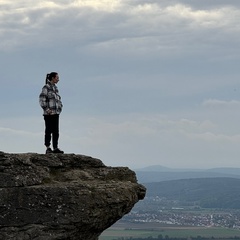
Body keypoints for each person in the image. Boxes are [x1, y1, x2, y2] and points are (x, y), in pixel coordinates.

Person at [39, 72, 64, 154]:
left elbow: (58, 100)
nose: (58, 79)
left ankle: (55, 147)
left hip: (56, 113)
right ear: (53, 78)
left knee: (56, 131)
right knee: (48, 131)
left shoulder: (56, 88)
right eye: (57, 77)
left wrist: (60, 108)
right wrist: (46, 109)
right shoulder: (46, 87)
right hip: (49, 114)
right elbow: (42, 99)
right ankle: (48, 148)